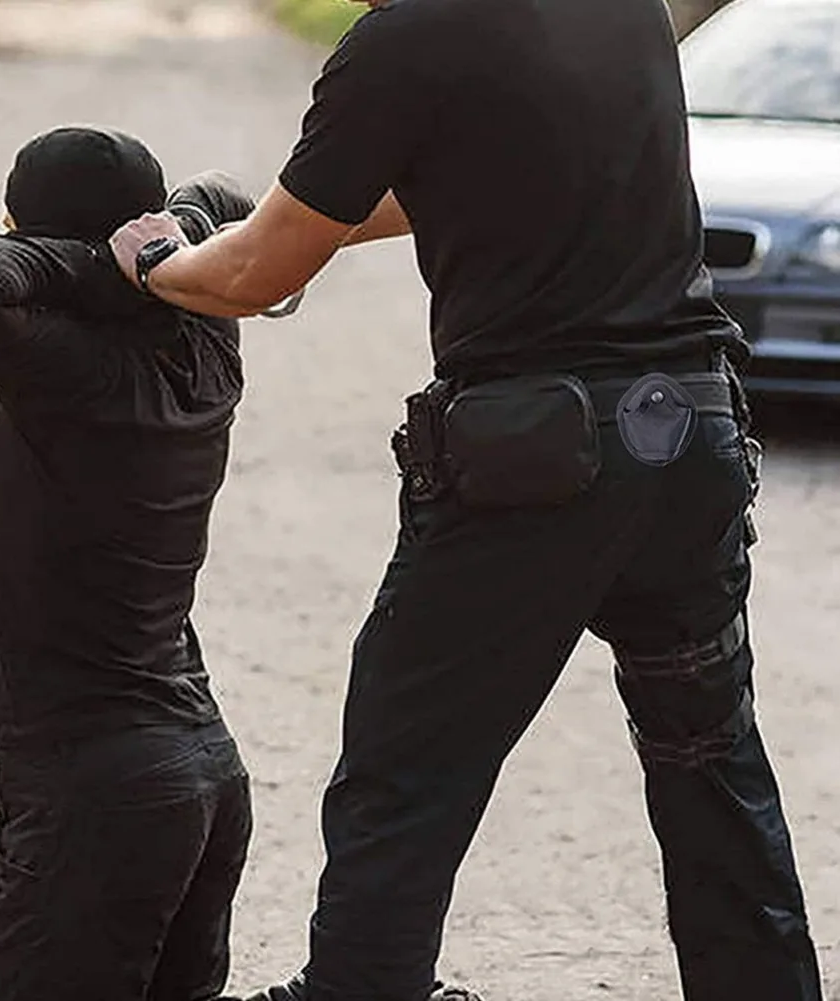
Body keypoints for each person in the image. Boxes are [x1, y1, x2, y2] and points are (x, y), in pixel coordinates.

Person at [106, 0, 825, 999]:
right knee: (708, 759)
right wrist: (291, 224)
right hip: (689, 439)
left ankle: (359, 989)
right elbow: (463, 173)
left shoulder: (401, 41)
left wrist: (157, 263)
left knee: (405, 759)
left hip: (536, 460)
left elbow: (256, 273)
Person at [0, 126, 259, 1001]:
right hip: (201, 771)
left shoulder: (71, 370)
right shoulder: (208, 339)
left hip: (95, 790)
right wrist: (159, 259)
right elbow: (220, 193)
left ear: (21, 233)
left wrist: (96, 264)